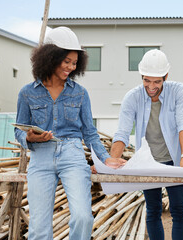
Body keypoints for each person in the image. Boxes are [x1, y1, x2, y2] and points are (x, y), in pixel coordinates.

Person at [14, 26, 125, 240]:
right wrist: (28, 137)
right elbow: (20, 130)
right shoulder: (27, 93)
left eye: (74, 63)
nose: (71, 67)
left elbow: (90, 133)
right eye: (66, 61)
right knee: (39, 228)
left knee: (83, 217)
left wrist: (106, 158)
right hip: (41, 157)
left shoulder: (80, 93)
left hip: (72, 155)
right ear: (50, 57)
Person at [108, 49, 183, 240]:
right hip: (148, 162)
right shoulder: (133, 97)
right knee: (153, 210)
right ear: (142, 76)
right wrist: (113, 159)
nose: (151, 86)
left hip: (175, 160)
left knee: (179, 211)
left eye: (157, 81)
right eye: (147, 80)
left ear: (166, 76)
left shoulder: (178, 91)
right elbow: (122, 132)